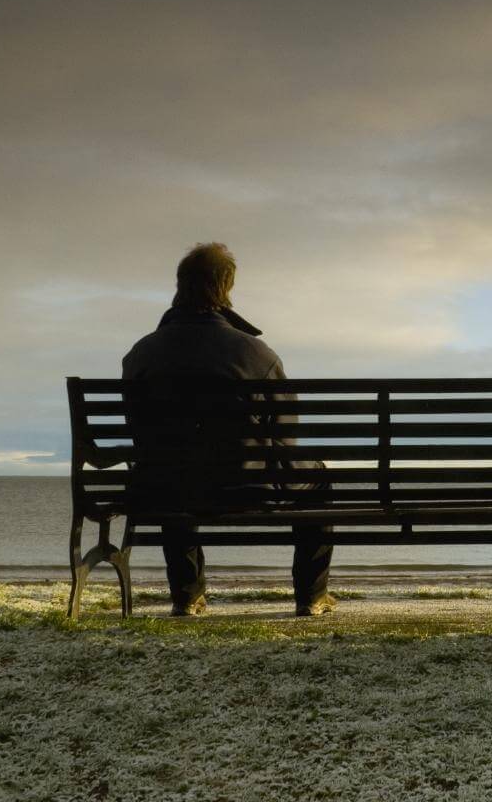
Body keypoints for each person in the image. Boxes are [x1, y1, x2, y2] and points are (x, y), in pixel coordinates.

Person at [121, 242, 333, 617]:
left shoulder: (141, 354)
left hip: (165, 487)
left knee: (172, 469)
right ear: (226, 287)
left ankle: (187, 595)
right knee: (318, 478)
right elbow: (286, 439)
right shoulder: (257, 354)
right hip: (247, 485)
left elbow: (140, 434)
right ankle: (311, 595)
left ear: (180, 285)